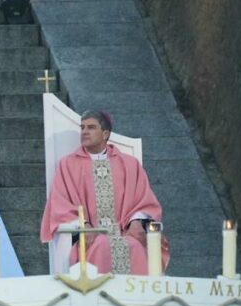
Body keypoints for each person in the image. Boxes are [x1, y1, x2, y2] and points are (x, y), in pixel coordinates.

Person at [40, 110, 167, 275]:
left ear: (105, 134)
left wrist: (136, 222)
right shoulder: (68, 165)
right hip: (90, 237)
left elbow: (144, 200)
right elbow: (60, 203)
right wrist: (84, 226)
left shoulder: (129, 165)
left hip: (124, 232)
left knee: (135, 246)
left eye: (91, 127)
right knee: (102, 245)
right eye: (82, 127)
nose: (84, 132)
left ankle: (138, 300)